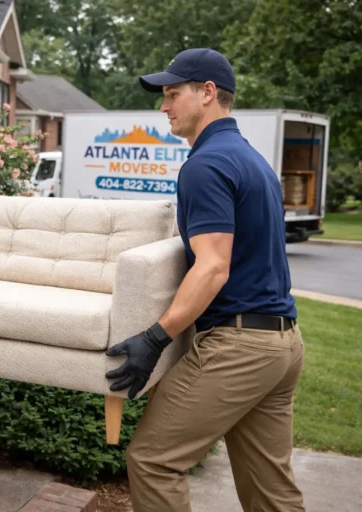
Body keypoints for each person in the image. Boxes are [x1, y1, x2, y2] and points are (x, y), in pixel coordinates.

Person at [105, 48, 305, 512]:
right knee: (271, 492)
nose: (164, 107)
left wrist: (154, 337)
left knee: (153, 461)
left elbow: (213, 266)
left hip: (238, 349)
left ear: (208, 93)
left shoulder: (206, 165)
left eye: (172, 94)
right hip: (283, 345)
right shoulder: (252, 160)